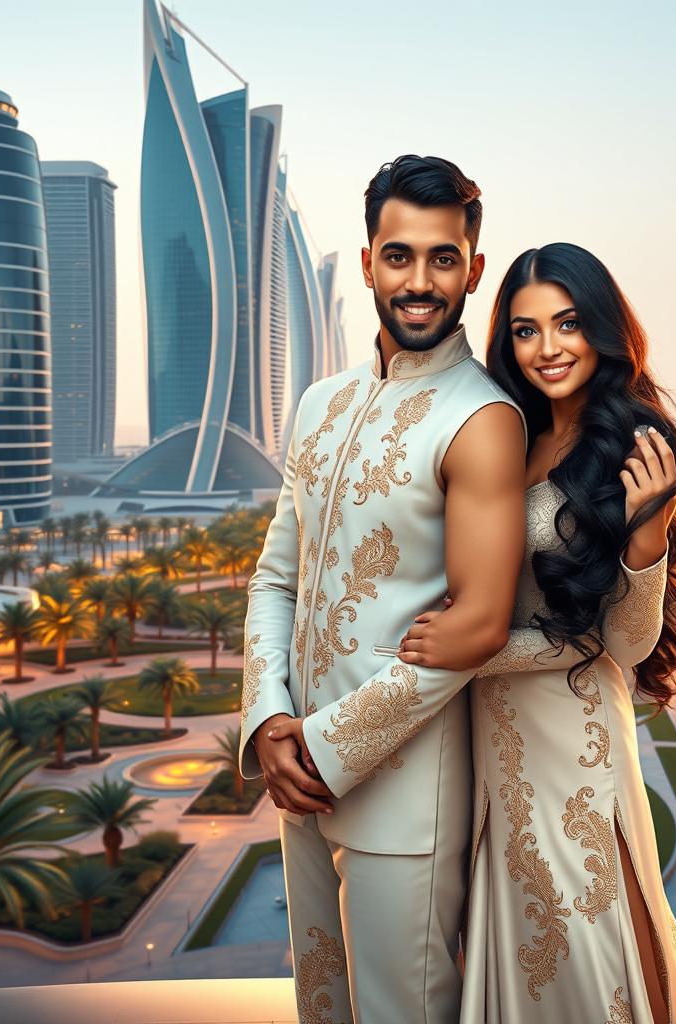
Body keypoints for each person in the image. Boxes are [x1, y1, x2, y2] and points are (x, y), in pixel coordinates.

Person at [397, 243, 676, 1023]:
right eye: (524, 330)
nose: (548, 348)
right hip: (488, 732)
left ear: (602, 328)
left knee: (577, 933)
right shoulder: (502, 431)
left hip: (571, 740)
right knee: (505, 930)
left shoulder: (632, 446)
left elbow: (622, 647)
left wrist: (650, 536)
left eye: (567, 323)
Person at [237, 154, 528, 1023]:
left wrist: (320, 746)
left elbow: (474, 631)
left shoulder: (482, 420)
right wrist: (266, 720)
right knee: (321, 1010)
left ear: (473, 270)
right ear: (368, 262)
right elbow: (276, 576)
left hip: (403, 795)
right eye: (399, 256)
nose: (420, 281)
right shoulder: (319, 403)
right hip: (298, 776)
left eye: (443, 260)